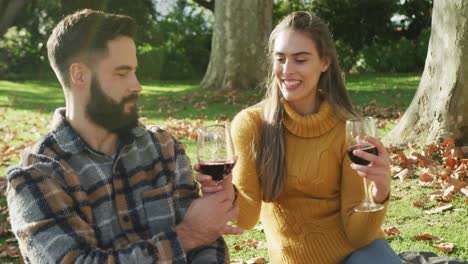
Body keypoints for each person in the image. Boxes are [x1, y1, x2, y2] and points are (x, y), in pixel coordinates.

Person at [6, 9, 242, 263]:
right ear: (80, 75)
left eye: (134, 71)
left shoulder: (164, 148)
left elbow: (207, 240)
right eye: (122, 73)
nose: (137, 85)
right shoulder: (35, 177)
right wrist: (185, 237)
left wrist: (214, 205)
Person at [196, 11, 402, 264]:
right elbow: (246, 219)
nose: (287, 70)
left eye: (300, 60)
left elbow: (358, 236)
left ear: (324, 62)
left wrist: (380, 191)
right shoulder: (252, 125)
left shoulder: (347, 128)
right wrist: (226, 191)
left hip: (357, 255)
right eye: (280, 59)